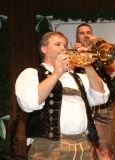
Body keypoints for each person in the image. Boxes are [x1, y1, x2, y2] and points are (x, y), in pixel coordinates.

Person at [15, 31, 110, 159]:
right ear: (43, 49)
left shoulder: (78, 77)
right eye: (58, 44)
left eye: (65, 45)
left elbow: (101, 96)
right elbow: (28, 103)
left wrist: (88, 65)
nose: (63, 48)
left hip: (83, 144)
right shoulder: (31, 74)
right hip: (48, 147)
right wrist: (56, 73)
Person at [74, 23, 115, 160]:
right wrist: (79, 54)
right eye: (82, 33)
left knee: (104, 150)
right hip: (81, 107)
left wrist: (98, 49)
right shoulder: (73, 53)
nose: (86, 35)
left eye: (88, 32)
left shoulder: (100, 51)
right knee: (86, 150)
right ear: (77, 37)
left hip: (102, 108)